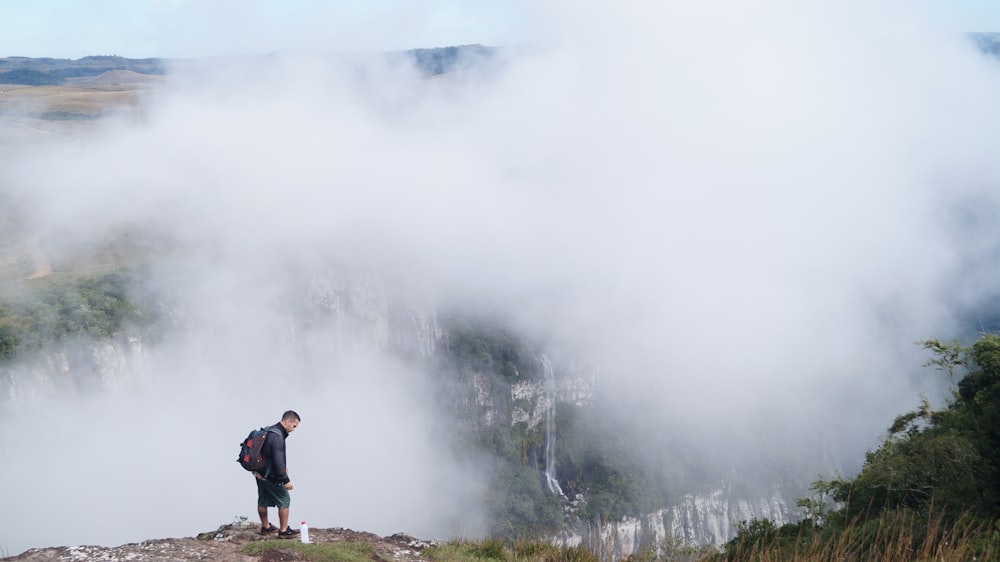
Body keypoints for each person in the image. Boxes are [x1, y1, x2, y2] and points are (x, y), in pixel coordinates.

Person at [255, 410, 301, 537]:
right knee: (284, 499)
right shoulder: (277, 437)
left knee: (263, 499)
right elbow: (278, 459)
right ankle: (284, 530)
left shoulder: (270, 430)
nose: (294, 429)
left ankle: (265, 527)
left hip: (260, 473)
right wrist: (286, 480)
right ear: (287, 421)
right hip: (271, 475)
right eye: (294, 426)